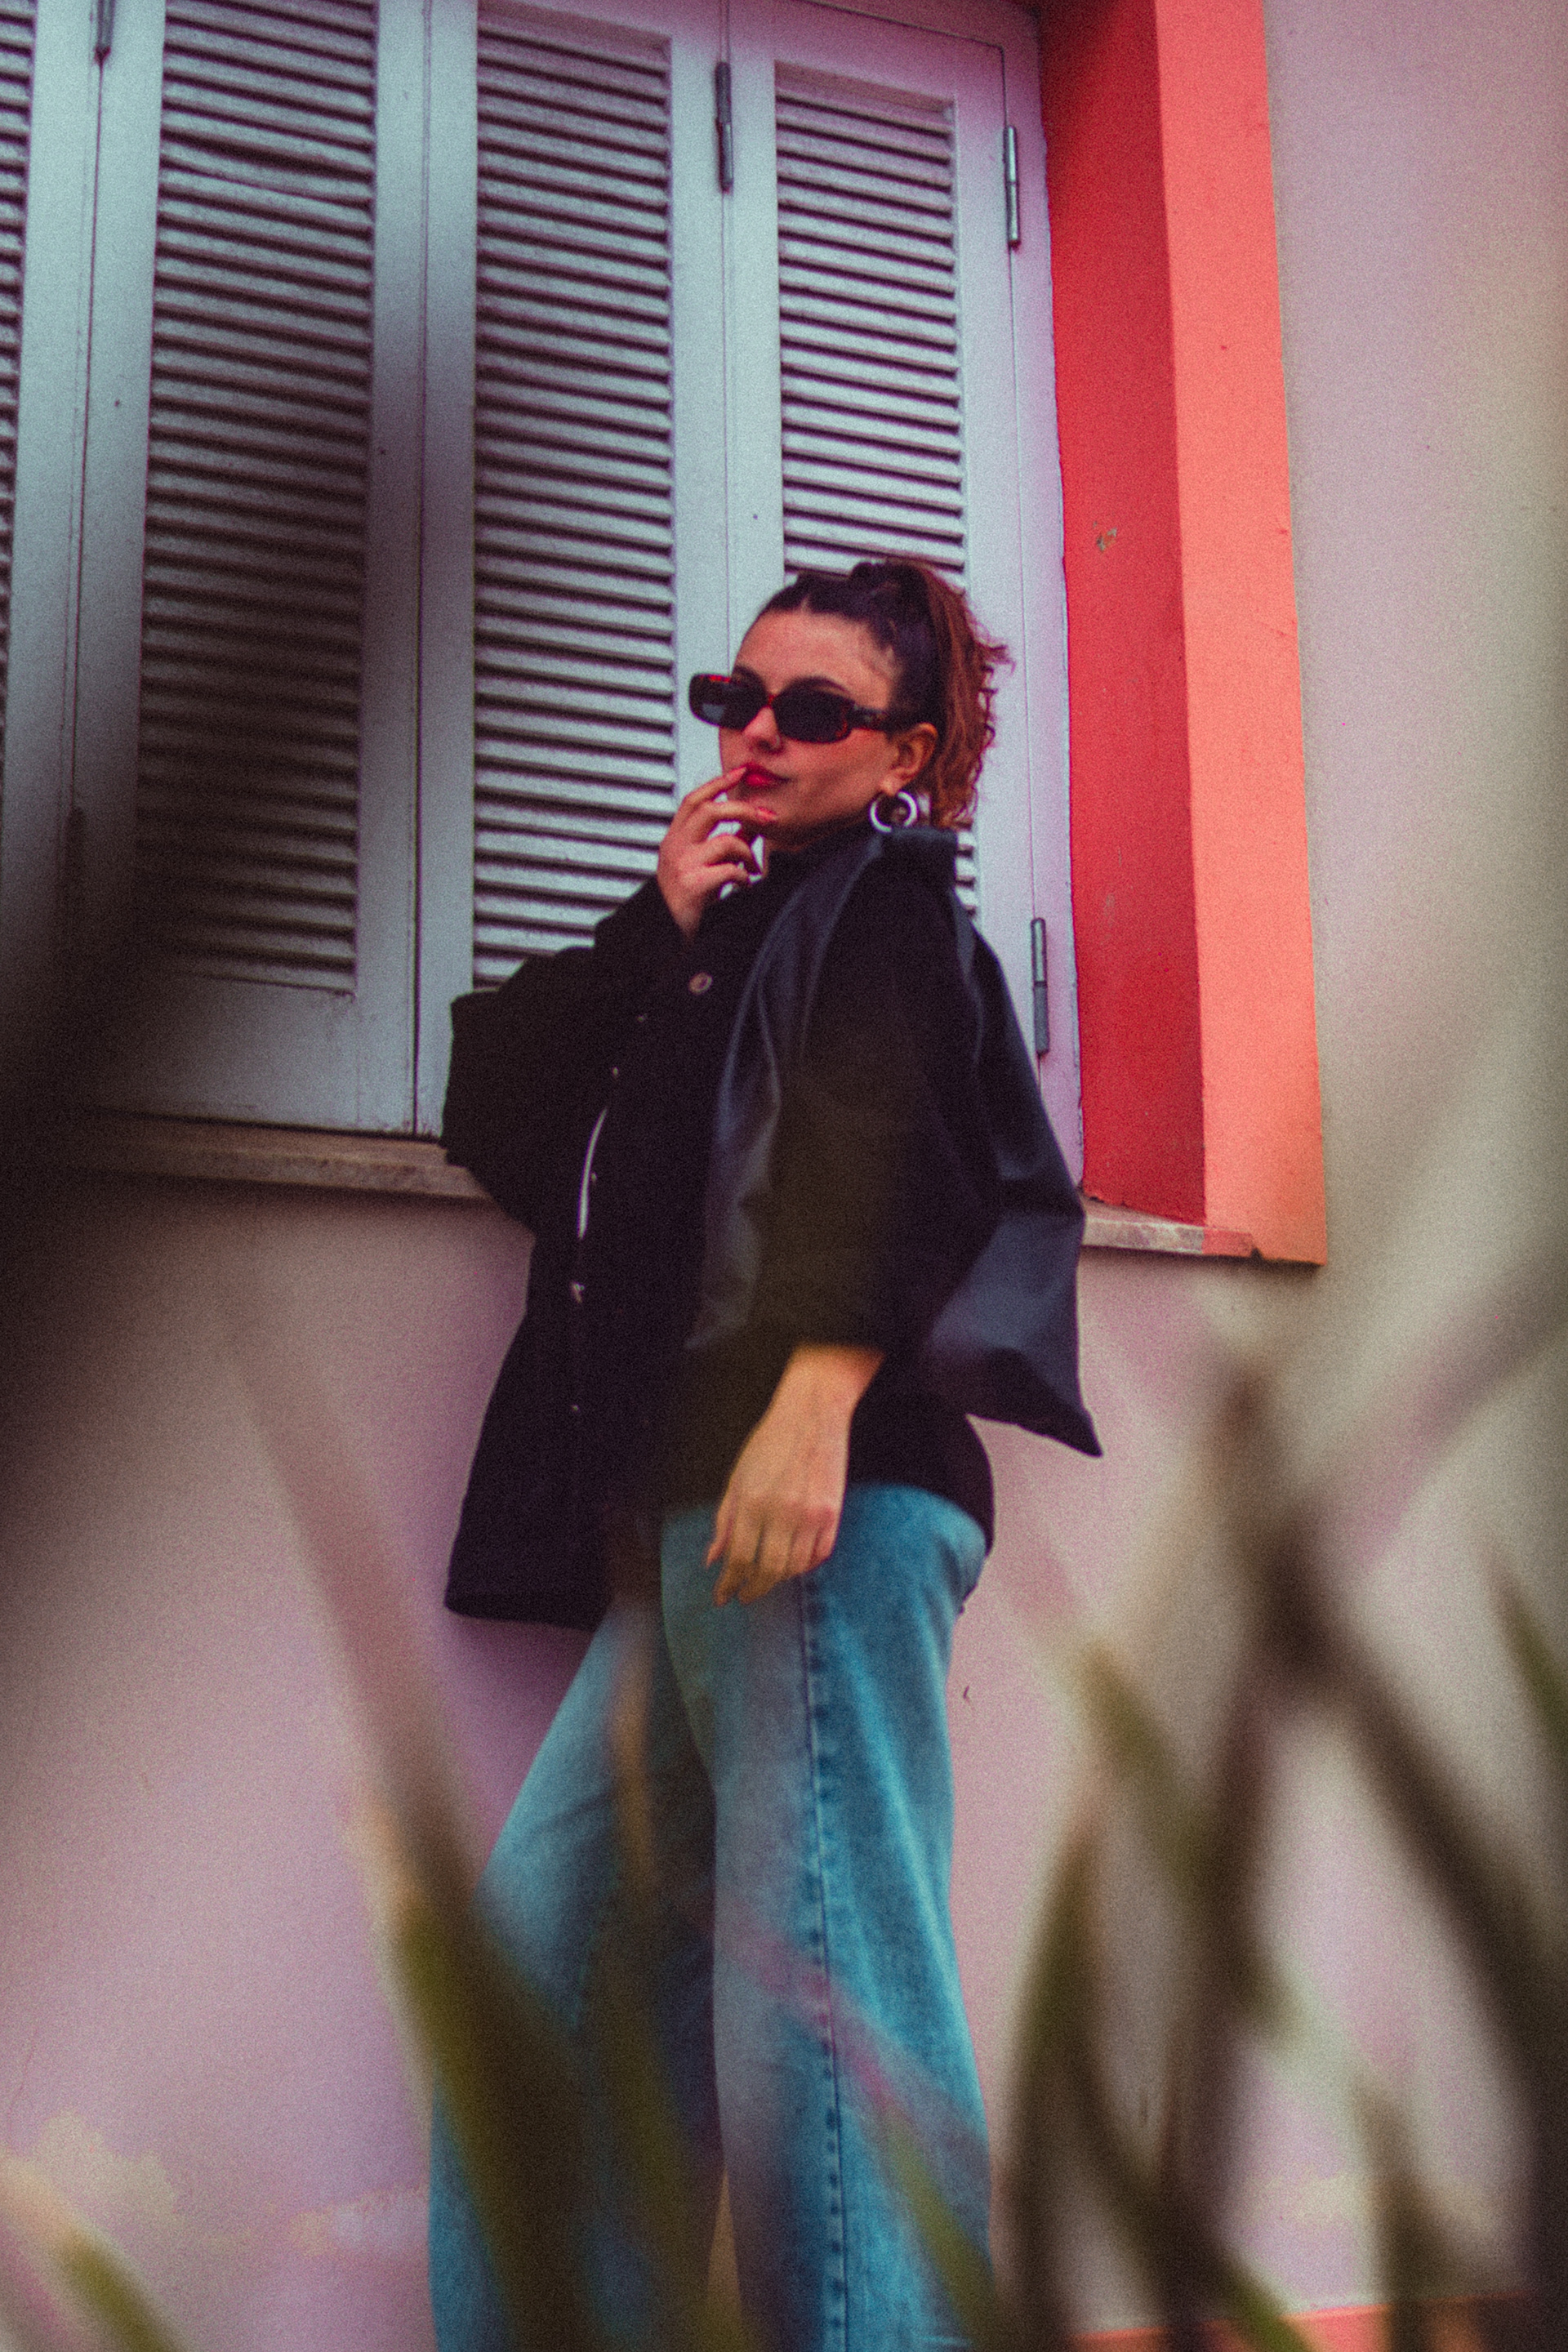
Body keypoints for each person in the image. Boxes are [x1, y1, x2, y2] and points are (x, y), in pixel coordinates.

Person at [430, 559, 1098, 2352]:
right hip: (695, 1528)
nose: (758, 736)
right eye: (736, 699)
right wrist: (653, 924)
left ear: (908, 753)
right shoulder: (717, 949)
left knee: (825, 1998)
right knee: (554, 1993)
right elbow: (498, 1111)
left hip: (823, 1504)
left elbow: (909, 1162)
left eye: (812, 710)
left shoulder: (890, 918)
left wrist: (814, 1408)